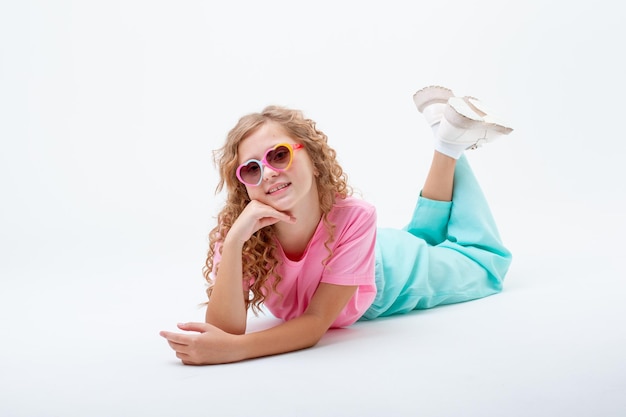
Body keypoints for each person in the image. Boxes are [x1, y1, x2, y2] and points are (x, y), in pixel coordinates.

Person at [160, 85, 513, 365]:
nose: (268, 172)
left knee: (484, 265)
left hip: (392, 277)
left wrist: (237, 351)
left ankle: (449, 142)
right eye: (251, 169)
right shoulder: (239, 235)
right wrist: (236, 238)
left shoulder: (355, 216)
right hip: (364, 254)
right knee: (423, 236)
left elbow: (315, 324)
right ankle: (446, 136)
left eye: (278, 154)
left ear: (313, 161)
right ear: (244, 185)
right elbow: (223, 330)